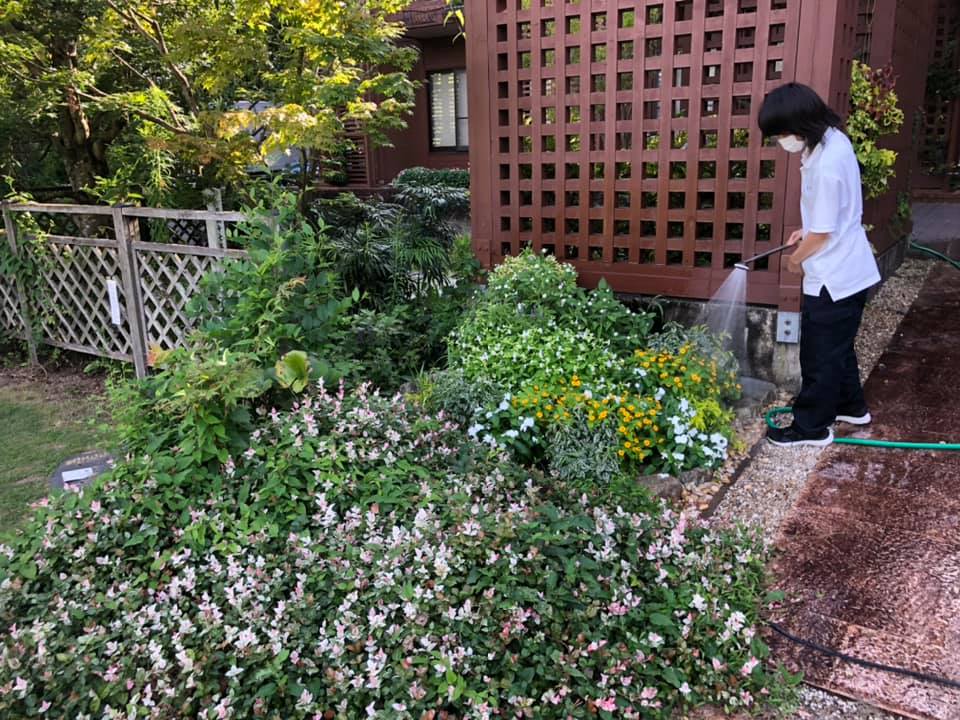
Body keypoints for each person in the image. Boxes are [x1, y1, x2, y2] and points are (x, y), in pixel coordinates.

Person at [757, 82, 881, 447]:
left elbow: (825, 233)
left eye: (782, 133)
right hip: (846, 268)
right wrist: (805, 230)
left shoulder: (827, 163)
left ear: (800, 123)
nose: (782, 141)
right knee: (837, 347)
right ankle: (851, 406)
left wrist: (797, 258)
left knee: (819, 355)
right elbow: (828, 217)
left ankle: (811, 427)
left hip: (834, 276)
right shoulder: (831, 141)